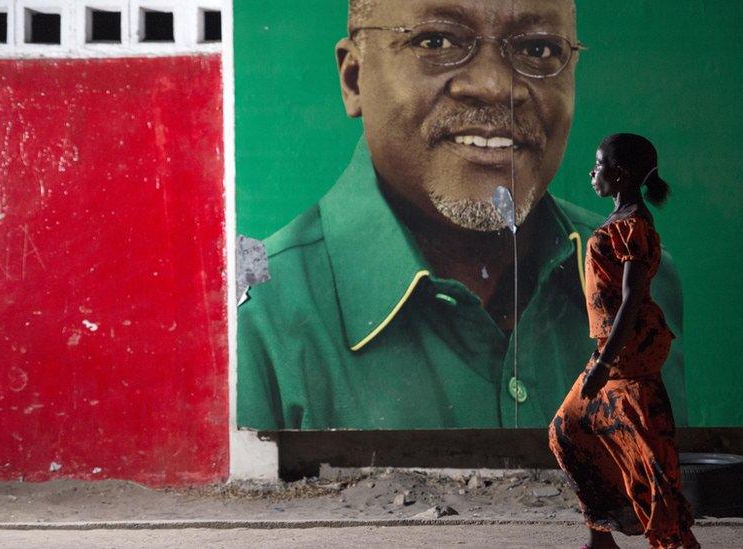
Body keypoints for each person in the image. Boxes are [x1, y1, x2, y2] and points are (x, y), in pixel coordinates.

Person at [236, 0, 684, 430]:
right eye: (435, 42)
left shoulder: (645, 274)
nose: (494, 86)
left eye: (537, 48)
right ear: (355, 78)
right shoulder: (254, 321)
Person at [548, 134, 698, 549]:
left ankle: (674, 541)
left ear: (621, 174)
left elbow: (631, 299)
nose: (592, 172)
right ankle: (601, 537)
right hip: (614, 350)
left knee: (649, 458)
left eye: (598, 165)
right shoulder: (622, 219)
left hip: (627, 355)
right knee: (569, 429)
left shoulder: (633, 225)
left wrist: (602, 363)